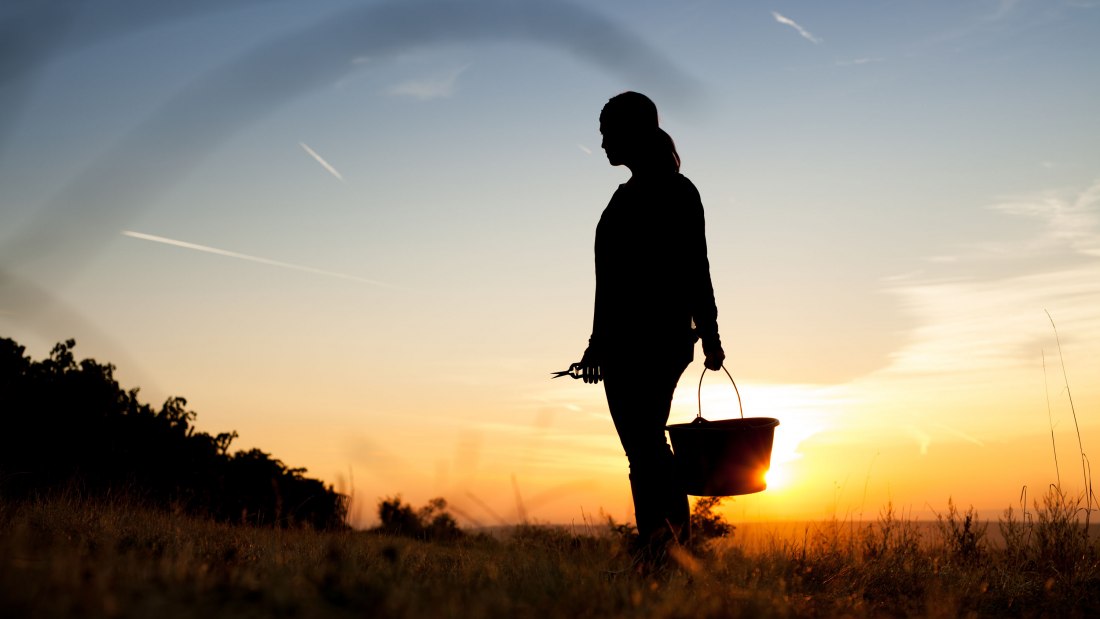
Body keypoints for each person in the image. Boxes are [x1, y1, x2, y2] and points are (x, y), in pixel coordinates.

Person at [571, 91, 725, 560]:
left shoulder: (677, 192)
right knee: (644, 449)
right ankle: (660, 553)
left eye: (605, 132)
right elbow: (610, 283)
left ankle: (665, 555)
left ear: (630, 132)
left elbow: (696, 269)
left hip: (654, 342)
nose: (600, 144)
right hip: (624, 344)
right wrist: (598, 344)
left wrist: (712, 335)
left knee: (646, 448)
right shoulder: (628, 197)